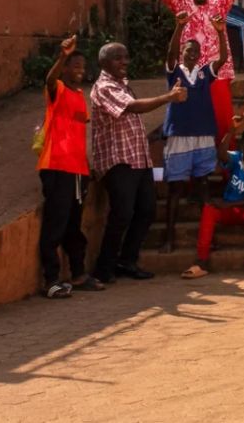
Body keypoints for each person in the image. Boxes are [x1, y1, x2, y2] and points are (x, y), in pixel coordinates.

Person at [89, 42, 187, 285]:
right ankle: (104, 268)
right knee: (122, 214)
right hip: (118, 161)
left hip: (138, 159)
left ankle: (127, 261)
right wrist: (169, 97)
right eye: (117, 58)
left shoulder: (122, 85)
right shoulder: (104, 87)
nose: (124, 62)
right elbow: (132, 108)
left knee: (146, 210)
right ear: (104, 63)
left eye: (126, 57)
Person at [156, 0, 244, 143]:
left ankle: (225, 171)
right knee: (191, 126)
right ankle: (194, 173)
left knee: (223, 123)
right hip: (189, 75)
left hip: (218, 73)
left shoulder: (220, 3)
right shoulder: (182, 6)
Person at [160, 12, 227, 253]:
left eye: (195, 52)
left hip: (203, 135)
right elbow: (170, 53)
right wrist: (179, 27)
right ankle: (168, 239)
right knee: (176, 188)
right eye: (188, 50)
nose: (191, 54)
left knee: (204, 186)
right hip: (179, 134)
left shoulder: (203, 72)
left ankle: (211, 237)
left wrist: (220, 31)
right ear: (182, 52)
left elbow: (223, 58)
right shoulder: (174, 71)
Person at [37, 35, 97, 298]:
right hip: (57, 165)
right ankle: (50, 281)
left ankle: (78, 273)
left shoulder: (81, 96)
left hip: (77, 170)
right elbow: (50, 80)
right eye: (75, 66)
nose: (80, 71)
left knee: (74, 225)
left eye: (82, 66)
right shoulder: (58, 90)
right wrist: (62, 56)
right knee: (55, 223)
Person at [186, 119, 244, 278]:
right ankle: (201, 261)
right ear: (241, 144)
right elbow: (221, 154)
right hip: (229, 210)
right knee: (209, 208)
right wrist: (231, 131)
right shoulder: (236, 157)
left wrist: (229, 204)